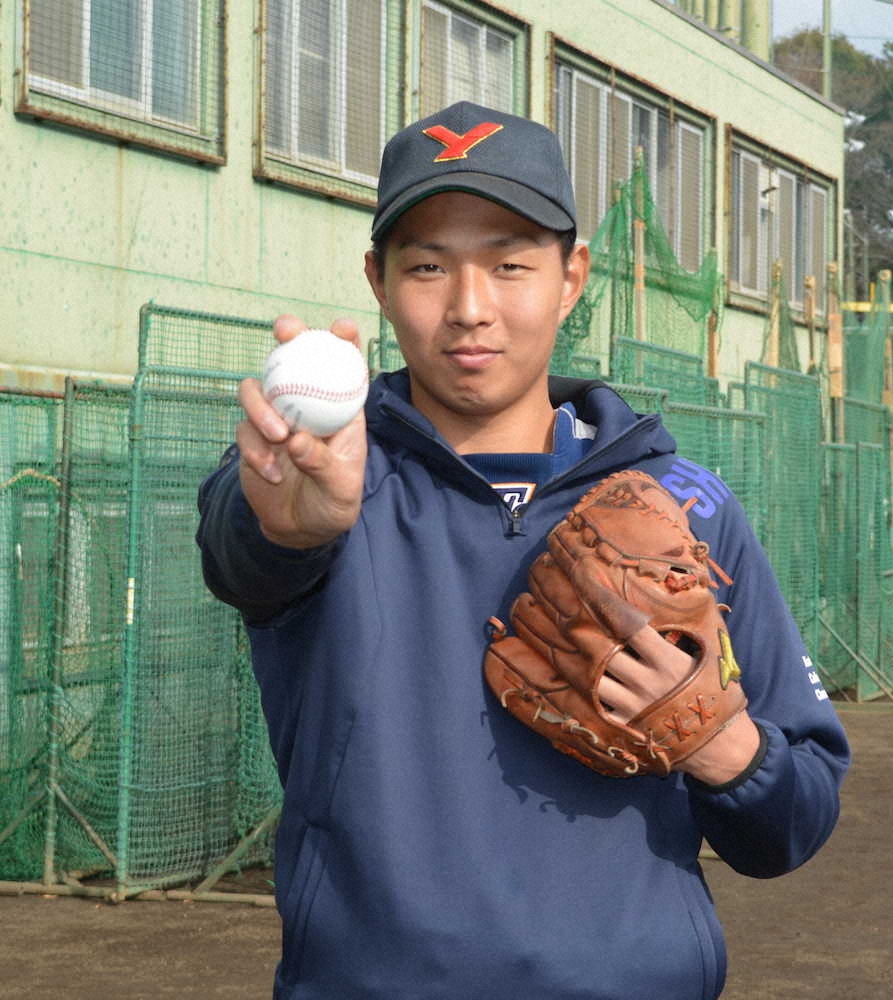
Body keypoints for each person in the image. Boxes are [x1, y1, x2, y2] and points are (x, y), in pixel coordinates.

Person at [197, 101, 850, 1000]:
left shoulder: (685, 504)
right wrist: (290, 527)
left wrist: (721, 745)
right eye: (428, 266)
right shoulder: (314, 477)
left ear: (570, 276)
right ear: (377, 280)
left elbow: (793, 823)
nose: (470, 308)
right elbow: (239, 551)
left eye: (509, 265)